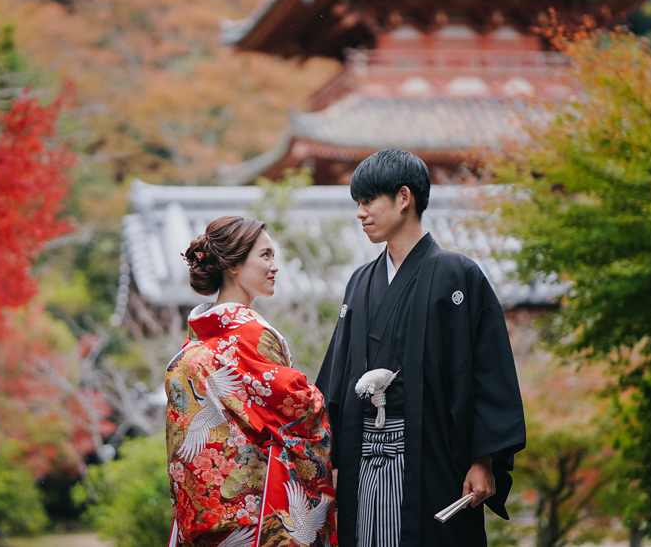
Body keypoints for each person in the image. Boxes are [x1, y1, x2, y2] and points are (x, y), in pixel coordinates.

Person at [316, 149, 526, 547]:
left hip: (434, 454)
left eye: (368, 201)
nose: (360, 213)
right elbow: (337, 376)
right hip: (362, 456)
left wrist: (483, 460)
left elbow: (488, 372)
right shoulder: (360, 282)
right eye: (357, 203)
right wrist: (335, 461)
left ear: (403, 198)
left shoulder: (457, 274)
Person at [166, 215, 336, 547]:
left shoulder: (193, 344)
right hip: (258, 515)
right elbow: (300, 409)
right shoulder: (250, 336)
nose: (275, 266)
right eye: (265, 255)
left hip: (209, 517)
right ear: (232, 264)